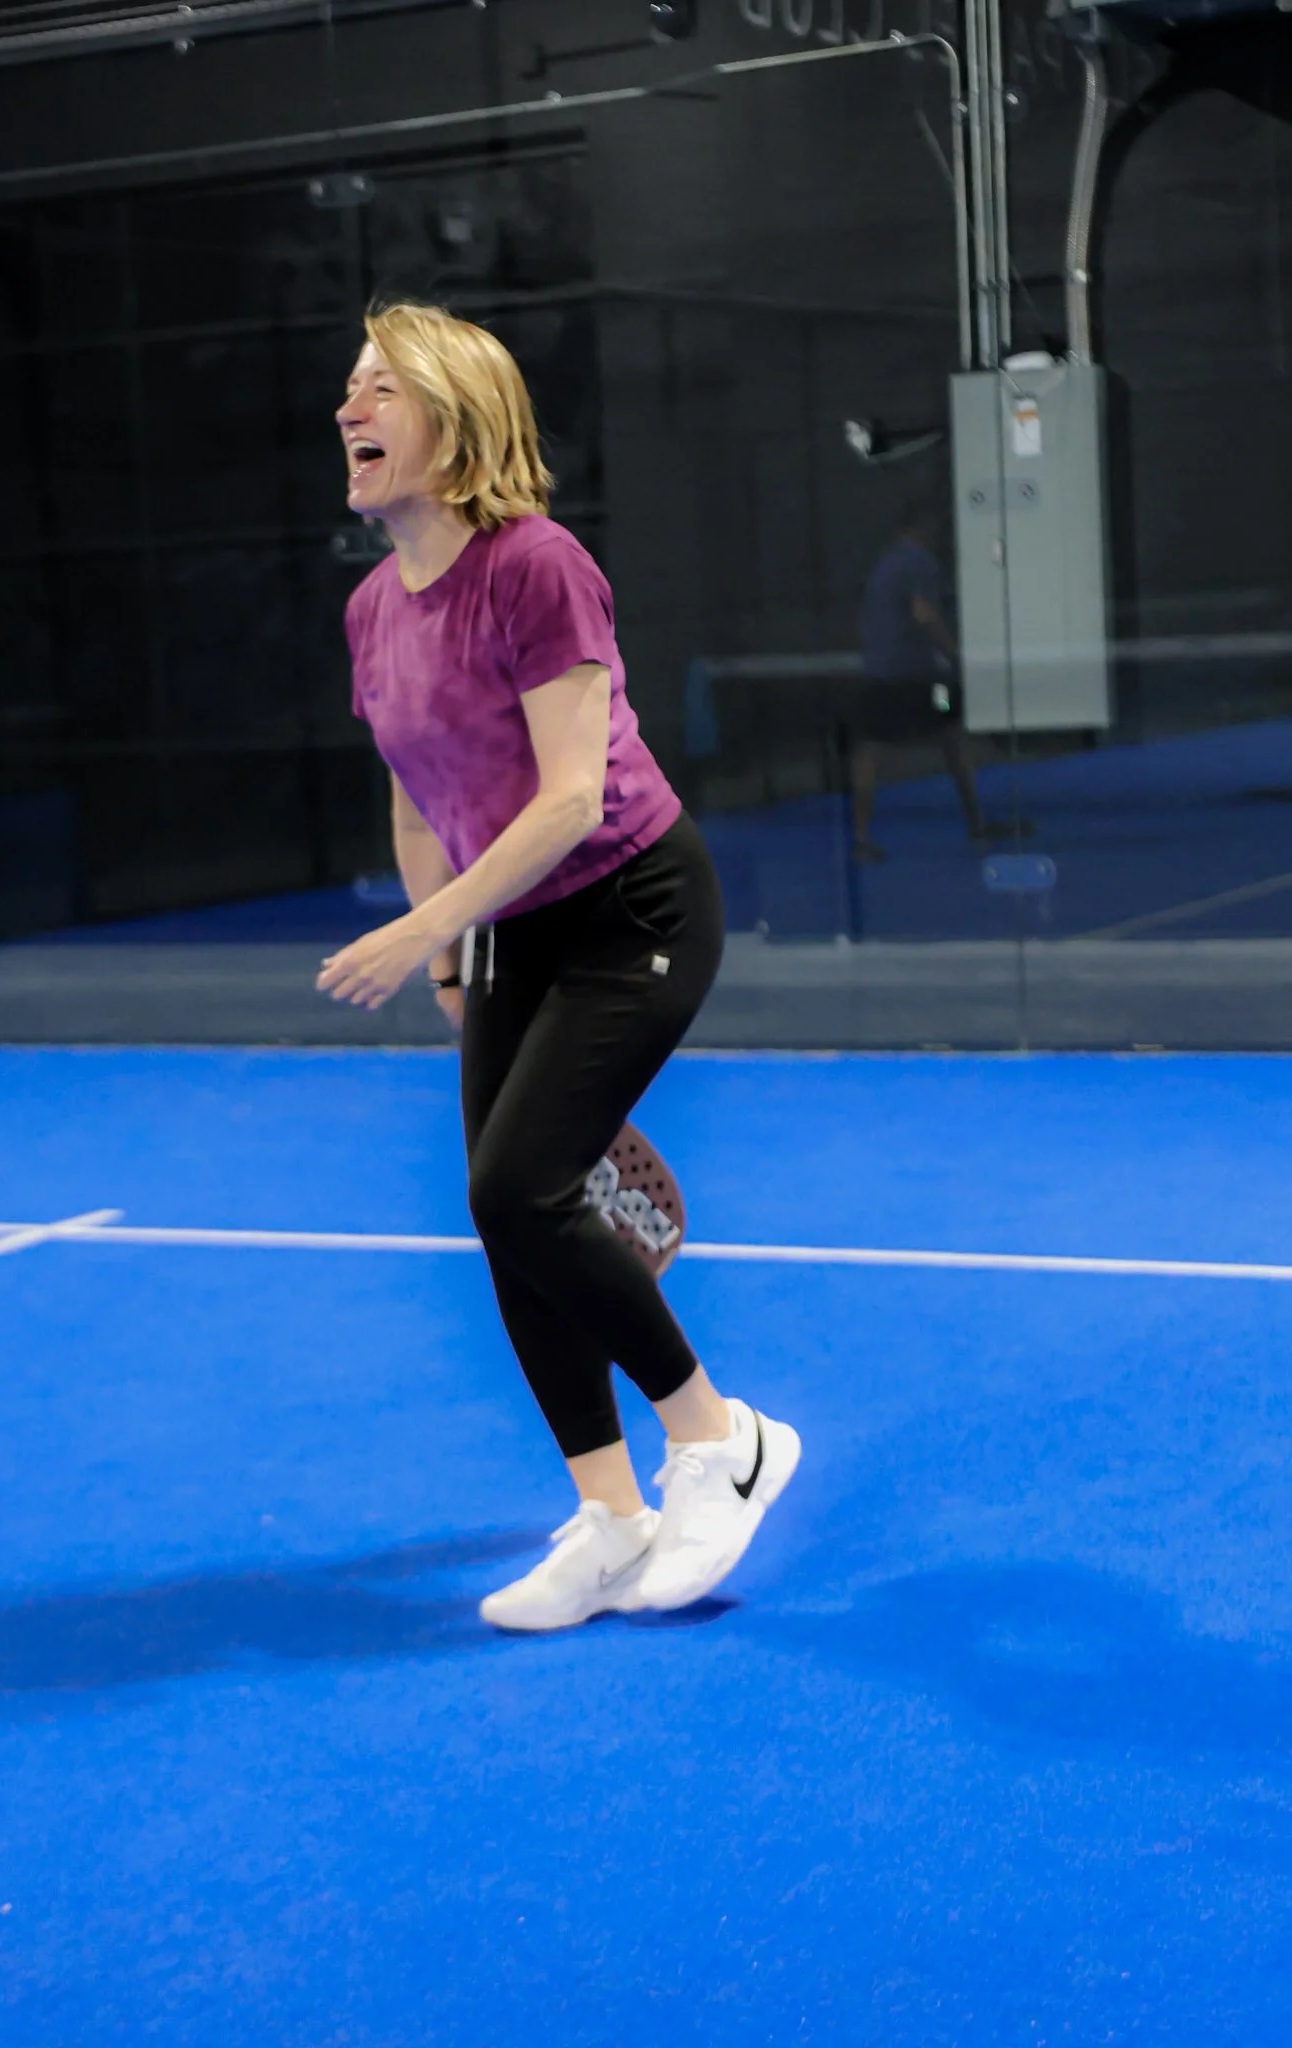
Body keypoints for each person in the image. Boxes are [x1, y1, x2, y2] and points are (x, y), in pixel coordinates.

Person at [316, 302, 799, 1631]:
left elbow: (571, 798)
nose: (346, 411)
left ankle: (722, 1441)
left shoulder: (535, 567)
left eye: (377, 389)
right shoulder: (370, 609)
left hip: (632, 904)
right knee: (502, 1214)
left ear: (454, 416)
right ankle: (606, 1514)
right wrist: (454, 947)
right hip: (513, 926)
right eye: (345, 390)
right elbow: (420, 800)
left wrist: (422, 929)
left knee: (518, 1181)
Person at [852, 506, 1015, 863]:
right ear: (922, 526)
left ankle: (860, 837)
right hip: (922, 678)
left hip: (879, 674)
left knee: (872, 751)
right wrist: (956, 655)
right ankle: (976, 822)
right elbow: (924, 614)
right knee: (953, 736)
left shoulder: (885, 563)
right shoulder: (920, 562)